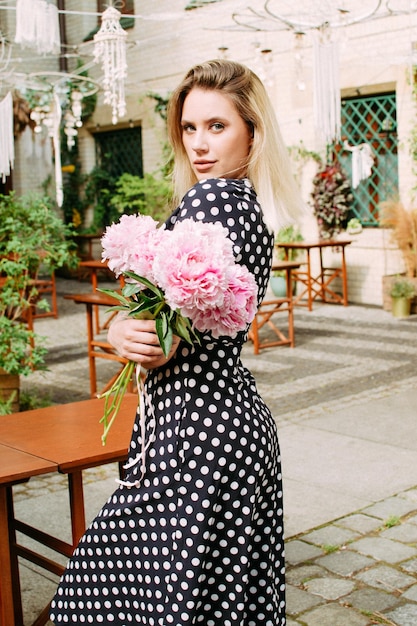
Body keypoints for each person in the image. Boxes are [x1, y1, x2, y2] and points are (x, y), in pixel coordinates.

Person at [50, 59, 303, 626]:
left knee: (101, 602)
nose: (199, 144)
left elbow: (164, 343)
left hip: (195, 439)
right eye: (189, 128)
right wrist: (125, 327)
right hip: (227, 430)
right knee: (218, 605)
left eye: (217, 126)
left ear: (252, 132)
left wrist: (127, 332)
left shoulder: (211, 203)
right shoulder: (249, 211)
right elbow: (173, 325)